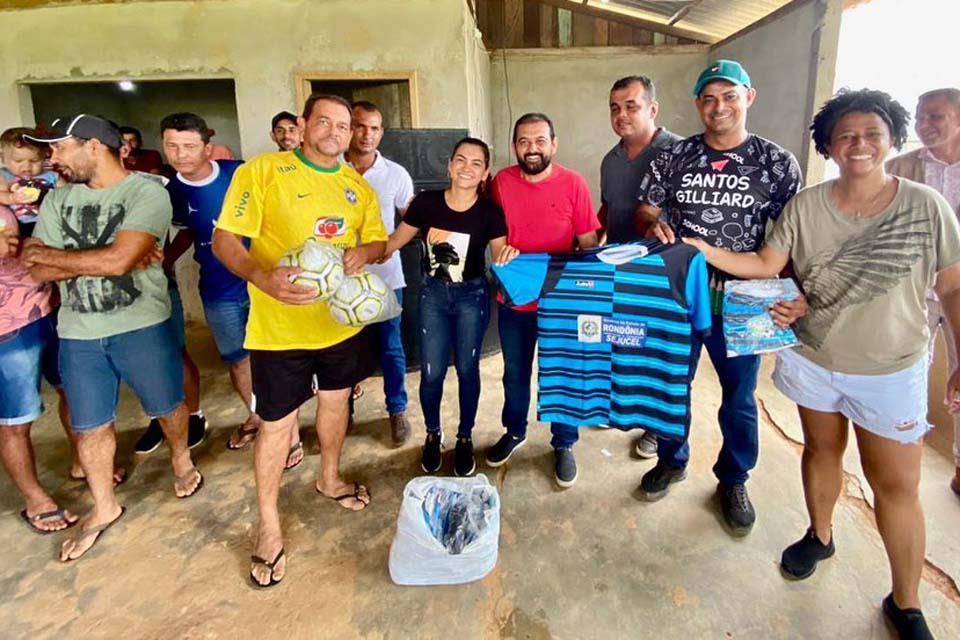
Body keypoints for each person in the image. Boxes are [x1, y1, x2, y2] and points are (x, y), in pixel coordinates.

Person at [682, 88, 959, 640]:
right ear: (829, 146)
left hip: (891, 368)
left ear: (890, 140)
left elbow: (951, 291)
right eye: (847, 136)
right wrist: (703, 249)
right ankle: (821, 533)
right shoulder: (806, 206)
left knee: (896, 486)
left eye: (871, 134)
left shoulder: (925, 205)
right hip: (813, 357)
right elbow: (767, 262)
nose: (859, 144)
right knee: (821, 450)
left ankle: (905, 601)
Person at [213, 94, 387, 587]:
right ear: (304, 124)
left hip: (338, 326)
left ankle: (329, 477)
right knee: (275, 425)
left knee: (336, 405)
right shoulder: (264, 172)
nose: (335, 131)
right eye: (325, 121)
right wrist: (261, 277)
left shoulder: (357, 186)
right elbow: (227, 239)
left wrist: (363, 253)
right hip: (278, 330)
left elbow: (375, 240)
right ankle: (268, 524)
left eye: (344, 124)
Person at [23, 114, 204, 562]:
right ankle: (104, 506)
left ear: (93, 147)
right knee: (89, 425)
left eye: (60, 147)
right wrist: (99, 259)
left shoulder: (146, 192)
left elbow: (120, 261)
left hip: (141, 323)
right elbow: (36, 267)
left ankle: (181, 457)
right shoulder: (56, 200)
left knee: (167, 405)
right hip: (78, 329)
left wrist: (65, 256)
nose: (53, 157)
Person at [636, 60, 803, 536]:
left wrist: (796, 293)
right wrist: (654, 224)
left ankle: (733, 478)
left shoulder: (776, 163)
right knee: (671, 384)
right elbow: (647, 208)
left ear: (749, 97)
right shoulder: (675, 156)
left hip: (747, 295)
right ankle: (672, 460)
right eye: (709, 98)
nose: (719, 107)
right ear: (697, 105)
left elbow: (795, 234)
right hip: (679, 291)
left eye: (729, 96)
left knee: (739, 396)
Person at [156, 112, 303, 469]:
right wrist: (165, 259)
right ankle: (258, 417)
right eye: (172, 146)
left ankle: (290, 432)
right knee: (238, 360)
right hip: (219, 288)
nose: (180, 154)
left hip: (263, 282)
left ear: (208, 148)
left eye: (189, 146)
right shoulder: (168, 191)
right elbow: (186, 232)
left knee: (277, 359)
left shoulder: (241, 172)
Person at [385, 137, 513, 475]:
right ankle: (432, 434)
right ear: (449, 165)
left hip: (472, 296)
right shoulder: (426, 204)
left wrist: (510, 256)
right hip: (433, 297)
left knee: (468, 370)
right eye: (460, 159)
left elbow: (500, 254)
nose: (466, 168)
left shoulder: (490, 212)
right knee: (432, 373)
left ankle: (465, 437)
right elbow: (395, 241)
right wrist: (361, 255)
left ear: (485, 172)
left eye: (476, 163)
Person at [484, 112, 600, 488]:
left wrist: (589, 291)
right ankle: (515, 431)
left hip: (562, 302)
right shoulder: (500, 183)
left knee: (564, 374)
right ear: (514, 146)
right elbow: (489, 229)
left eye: (539, 141)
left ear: (554, 144)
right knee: (515, 373)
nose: (531, 149)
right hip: (515, 302)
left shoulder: (574, 184)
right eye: (523, 141)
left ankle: (564, 442)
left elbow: (587, 244)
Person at [599, 75, 682, 460]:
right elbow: (608, 209)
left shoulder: (681, 153)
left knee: (660, 352)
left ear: (652, 109)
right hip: (621, 270)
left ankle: (654, 425)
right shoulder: (610, 161)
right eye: (615, 107)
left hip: (664, 275)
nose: (622, 114)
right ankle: (625, 408)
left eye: (631, 105)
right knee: (624, 340)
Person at [887, 87, 960, 497]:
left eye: (936, 117)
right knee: (908, 369)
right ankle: (903, 445)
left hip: (959, 289)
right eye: (921, 117)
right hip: (913, 291)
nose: (925, 125)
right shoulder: (899, 168)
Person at [120, 136, 208, 457]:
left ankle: (194, 414)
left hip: (156, 285)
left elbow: (183, 228)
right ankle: (159, 417)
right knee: (140, 360)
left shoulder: (154, 186)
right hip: (116, 295)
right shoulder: (83, 191)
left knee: (174, 352)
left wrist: (167, 259)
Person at [0, 204, 80, 534]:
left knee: (73, 390)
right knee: (16, 420)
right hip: (6, 330)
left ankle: (83, 460)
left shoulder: (15, 199)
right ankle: (36, 499)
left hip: (50, 309)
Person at [345, 100, 415, 445]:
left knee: (390, 346)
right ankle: (343, 411)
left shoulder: (395, 174)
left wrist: (387, 248)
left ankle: (397, 410)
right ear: (349, 127)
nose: (366, 134)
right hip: (338, 280)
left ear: (382, 132)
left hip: (385, 277)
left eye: (374, 128)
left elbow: (412, 220)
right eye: (359, 126)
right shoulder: (329, 170)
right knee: (342, 349)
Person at [0, 128, 61, 232]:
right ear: (3, 159)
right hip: (21, 224)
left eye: (34, 160)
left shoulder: (52, 176)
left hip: (51, 222)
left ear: (43, 158)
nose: (27, 166)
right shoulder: (4, 175)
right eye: (18, 161)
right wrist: (12, 198)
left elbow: (68, 194)